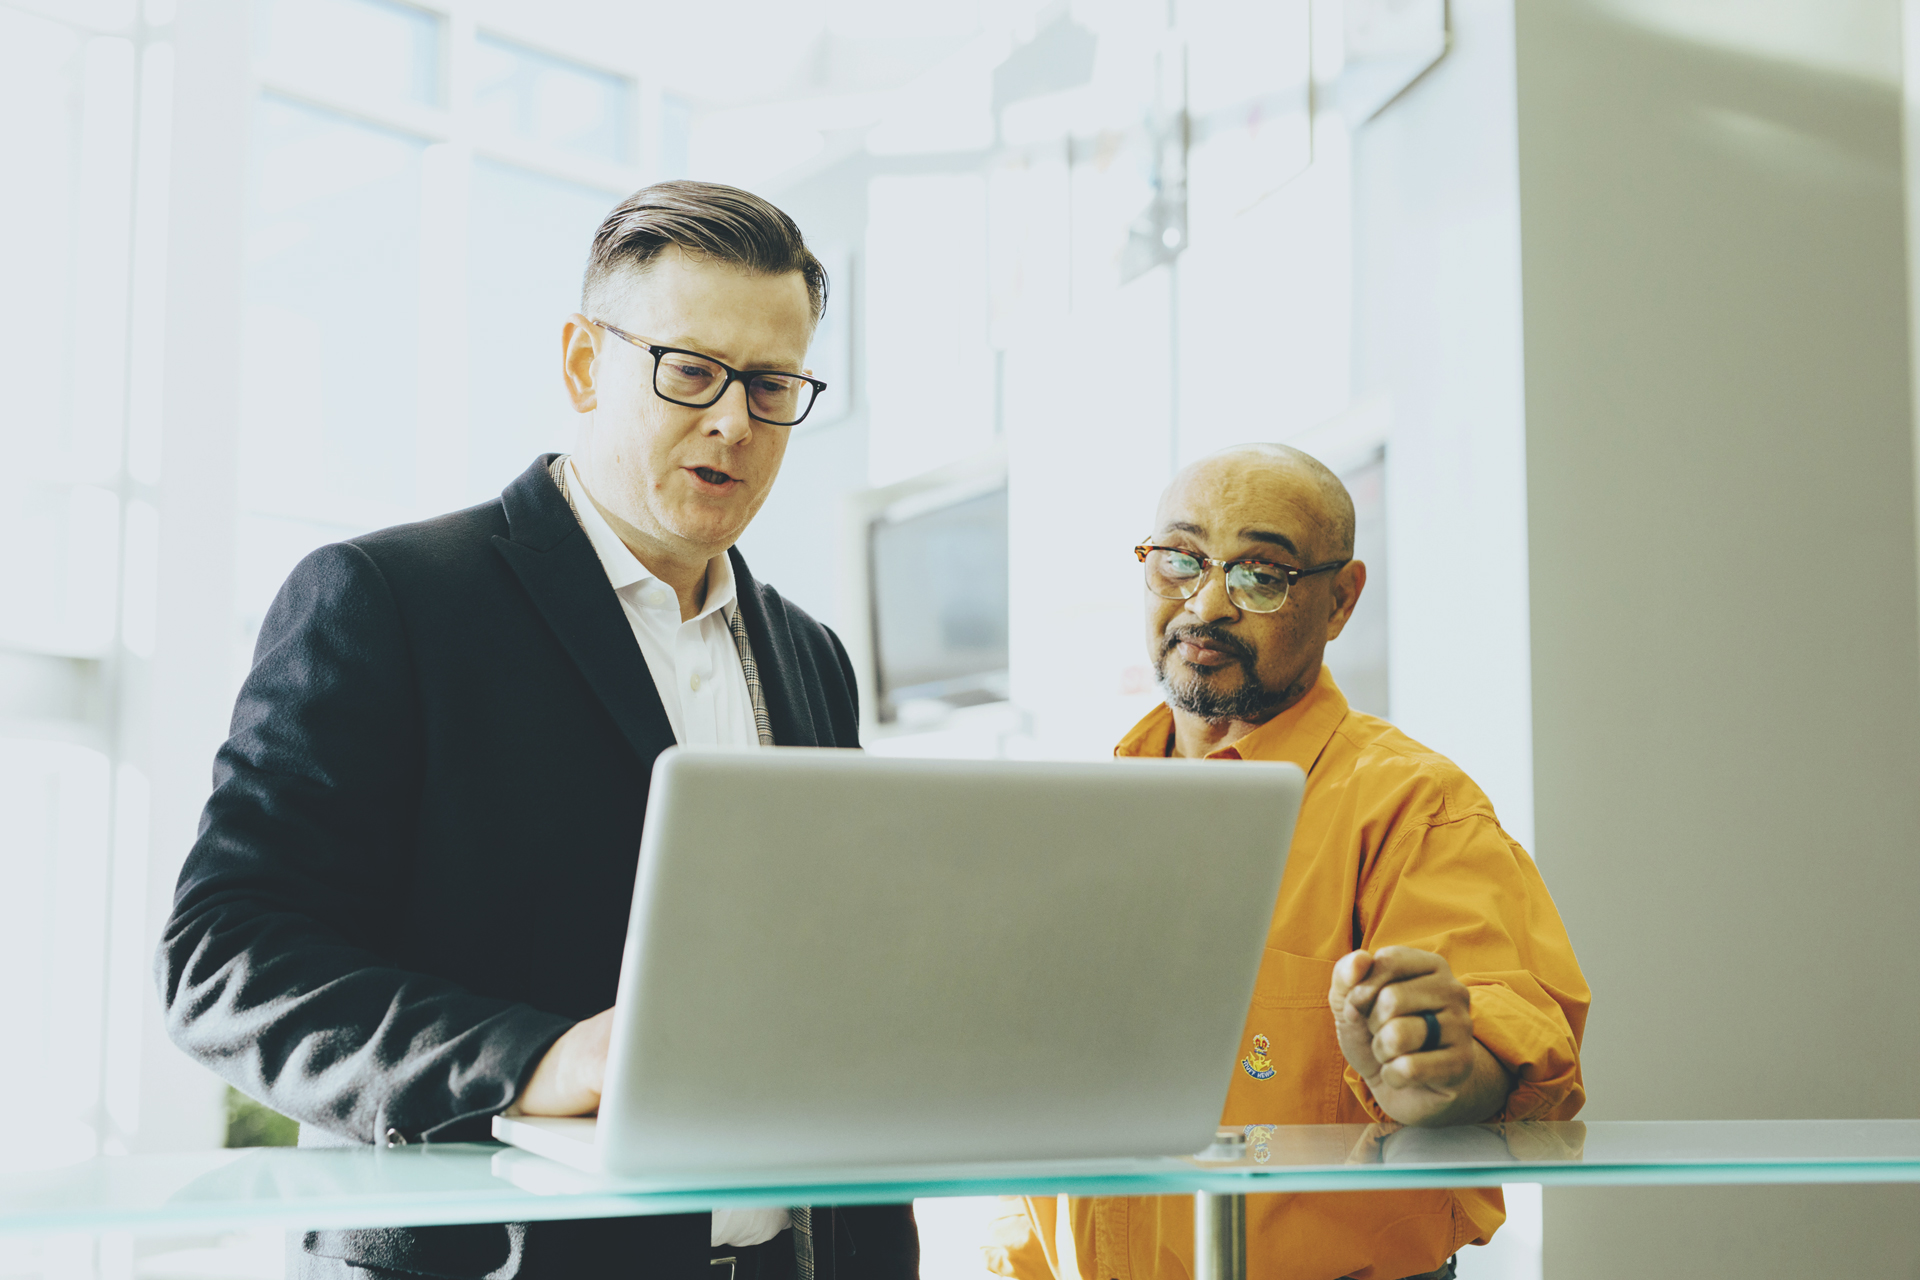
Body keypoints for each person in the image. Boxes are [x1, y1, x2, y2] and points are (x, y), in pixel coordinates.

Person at [158, 181, 918, 1280]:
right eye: (689, 370)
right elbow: (224, 958)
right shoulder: (385, 598)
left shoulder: (811, 655)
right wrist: (537, 1059)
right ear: (581, 363)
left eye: (770, 384)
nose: (732, 423)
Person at [985, 445, 1589, 1280]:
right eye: (1179, 562)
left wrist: (1438, 1074)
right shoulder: (1087, 814)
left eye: (1260, 575)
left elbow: (1507, 1048)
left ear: (1340, 600)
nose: (1206, 604)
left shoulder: (1414, 808)